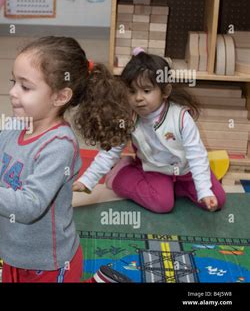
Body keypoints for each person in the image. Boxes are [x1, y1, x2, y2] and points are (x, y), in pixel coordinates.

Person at [0, 36, 132, 282]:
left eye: (25, 87)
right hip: (13, 254)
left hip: (49, 263)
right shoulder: (16, 125)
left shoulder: (59, 146)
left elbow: (28, 207)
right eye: (14, 81)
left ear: (60, 97)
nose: (12, 92)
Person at [74, 48, 226, 213]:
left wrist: (204, 190)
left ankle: (174, 187)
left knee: (218, 199)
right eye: (132, 91)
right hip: (154, 169)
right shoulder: (129, 117)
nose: (138, 98)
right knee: (162, 204)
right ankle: (121, 173)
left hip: (185, 169)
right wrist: (87, 180)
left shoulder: (181, 118)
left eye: (146, 91)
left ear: (165, 91)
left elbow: (197, 155)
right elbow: (109, 151)